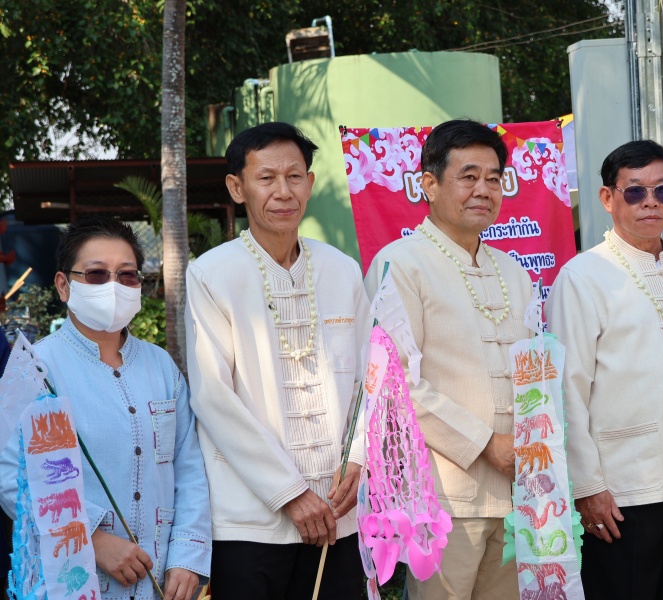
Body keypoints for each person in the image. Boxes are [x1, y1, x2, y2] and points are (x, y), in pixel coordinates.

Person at [185, 122, 369, 599]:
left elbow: (372, 380)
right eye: (266, 178)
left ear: (311, 183)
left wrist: (359, 460)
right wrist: (289, 493)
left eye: (294, 176)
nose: (283, 191)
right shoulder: (211, 274)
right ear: (237, 188)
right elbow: (212, 397)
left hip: (338, 512)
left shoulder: (342, 270)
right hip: (250, 521)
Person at [545, 140, 663, 600]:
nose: (650, 202)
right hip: (620, 491)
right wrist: (587, 485)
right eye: (635, 191)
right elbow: (567, 389)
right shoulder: (583, 276)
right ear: (608, 198)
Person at [0, 217, 211, 600]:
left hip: (161, 579)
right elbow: (11, 474)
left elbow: (190, 466)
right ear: (64, 285)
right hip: (74, 582)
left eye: (127, 275)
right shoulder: (34, 368)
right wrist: (92, 539)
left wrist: (187, 556)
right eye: (97, 274)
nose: (114, 286)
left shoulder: (161, 366)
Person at [364, 119, 533, 599]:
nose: (484, 190)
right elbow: (394, 384)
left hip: (519, 494)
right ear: (430, 184)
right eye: (469, 176)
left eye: (494, 178)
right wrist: (486, 444)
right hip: (442, 499)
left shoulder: (515, 272)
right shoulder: (400, 263)